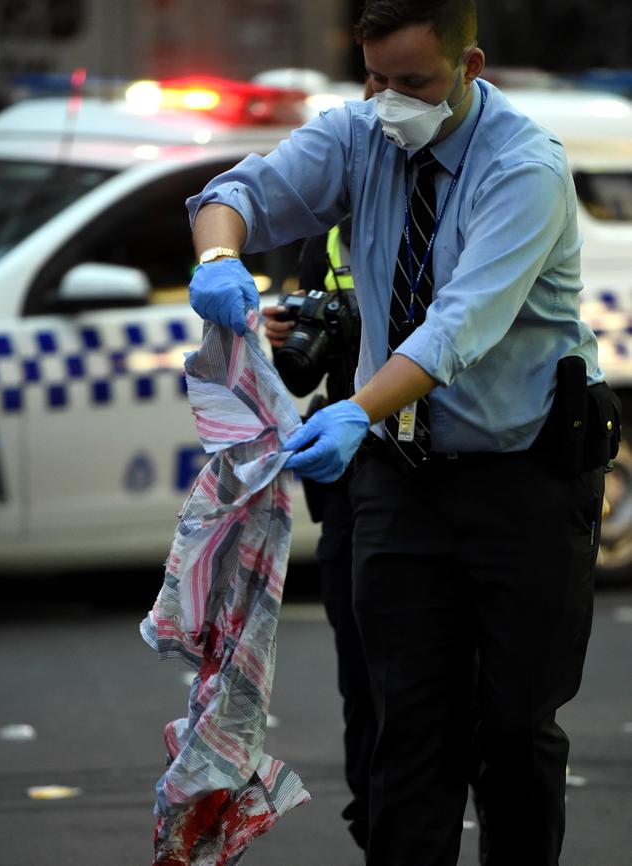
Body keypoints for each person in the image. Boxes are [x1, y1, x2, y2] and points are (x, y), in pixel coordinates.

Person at [185, 2, 620, 864]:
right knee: (405, 728)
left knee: (514, 730)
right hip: (400, 480)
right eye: (375, 78)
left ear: (471, 66)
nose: (389, 101)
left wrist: (355, 409)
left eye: (413, 82)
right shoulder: (360, 133)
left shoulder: (523, 167)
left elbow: (457, 326)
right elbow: (235, 194)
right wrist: (219, 257)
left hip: (522, 477)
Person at [263, 218, 378, 854]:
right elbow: (302, 377)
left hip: (436, 477)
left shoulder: (454, 210)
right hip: (353, 492)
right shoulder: (328, 242)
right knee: (362, 684)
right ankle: (377, 828)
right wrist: (285, 335)